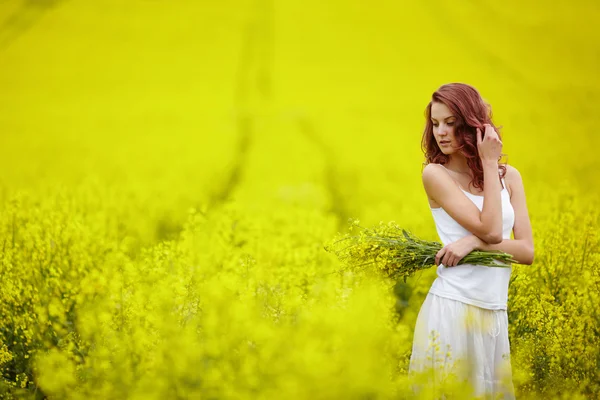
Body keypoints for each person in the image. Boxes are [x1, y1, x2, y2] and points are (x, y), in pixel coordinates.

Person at [408, 83, 534, 399]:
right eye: (435, 123)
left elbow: (526, 251)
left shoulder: (511, 177)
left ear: (472, 122)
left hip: (493, 313)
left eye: (450, 122)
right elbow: (492, 230)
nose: (440, 132)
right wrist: (490, 164)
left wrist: (471, 244)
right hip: (452, 309)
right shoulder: (436, 175)